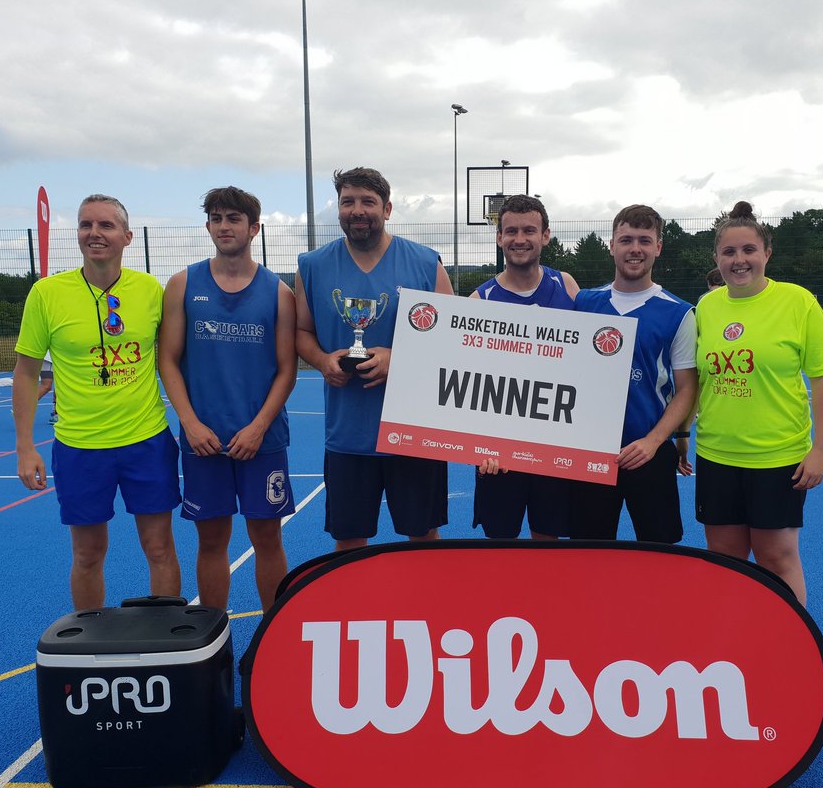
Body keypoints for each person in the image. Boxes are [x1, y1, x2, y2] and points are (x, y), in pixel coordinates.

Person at [12, 194, 181, 611]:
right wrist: (25, 446)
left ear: (126, 236)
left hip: (146, 440)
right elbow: (26, 372)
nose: (94, 233)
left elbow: (174, 358)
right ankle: (90, 638)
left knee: (158, 548)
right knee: (88, 555)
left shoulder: (149, 289)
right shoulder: (46, 293)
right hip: (80, 447)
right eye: (86, 225)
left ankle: (167, 637)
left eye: (105, 226)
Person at [693, 201, 823, 606]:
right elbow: (696, 381)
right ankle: (732, 648)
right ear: (717, 259)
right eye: (729, 252)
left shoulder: (797, 302)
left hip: (778, 458)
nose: (739, 260)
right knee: (724, 559)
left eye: (748, 250)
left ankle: (792, 649)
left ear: (766, 254)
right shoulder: (706, 308)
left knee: (776, 558)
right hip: (717, 454)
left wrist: (821, 451)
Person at [294, 167, 454, 551]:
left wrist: (397, 358)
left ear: (387, 209)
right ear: (339, 209)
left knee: (424, 539)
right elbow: (301, 332)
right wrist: (321, 360)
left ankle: (427, 611)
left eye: (368, 201)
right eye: (348, 201)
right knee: (349, 542)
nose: (357, 210)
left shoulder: (425, 263)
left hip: (415, 432)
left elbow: (452, 340)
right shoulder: (312, 265)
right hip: (348, 434)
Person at [159, 186, 297, 611]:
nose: (224, 226)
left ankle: (274, 633)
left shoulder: (279, 292)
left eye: (233, 219)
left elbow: (287, 369)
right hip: (204, 441)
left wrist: (257, 428)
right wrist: (191, 423)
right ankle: (213, 635)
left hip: (262, 440)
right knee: (212, 541)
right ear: (207, 226)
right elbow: (168, 360)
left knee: (267, 539)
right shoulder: (183, 283)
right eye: (217, 218)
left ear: (254, 228)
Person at [569, 204, 698, 544]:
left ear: (658, 247)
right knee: (587, 555)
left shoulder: (679, 312)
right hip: (590, 453)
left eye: (645, 240)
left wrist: (654, 442)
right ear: (612, 245)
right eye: (626, 239)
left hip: (649, 451)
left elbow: (687, 389)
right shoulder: (584, 302)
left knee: (659, 556)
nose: (635, 248)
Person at [471, 194, 579, 539]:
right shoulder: (479, 301)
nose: (520, 239)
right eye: (511, 231)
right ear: (499, 237)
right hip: (499, 452)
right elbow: (468, 385)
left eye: (529, 230)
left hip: (554, 444)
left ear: (546, 235)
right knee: (501, 544)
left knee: (547, 542)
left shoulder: (566, 286)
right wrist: (479, 445)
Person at [38, 352, 58, 424]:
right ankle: (22, 409)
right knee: (46, 386)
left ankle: (57, 412)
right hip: (49, 358)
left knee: (62, 384)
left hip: (61, 357)